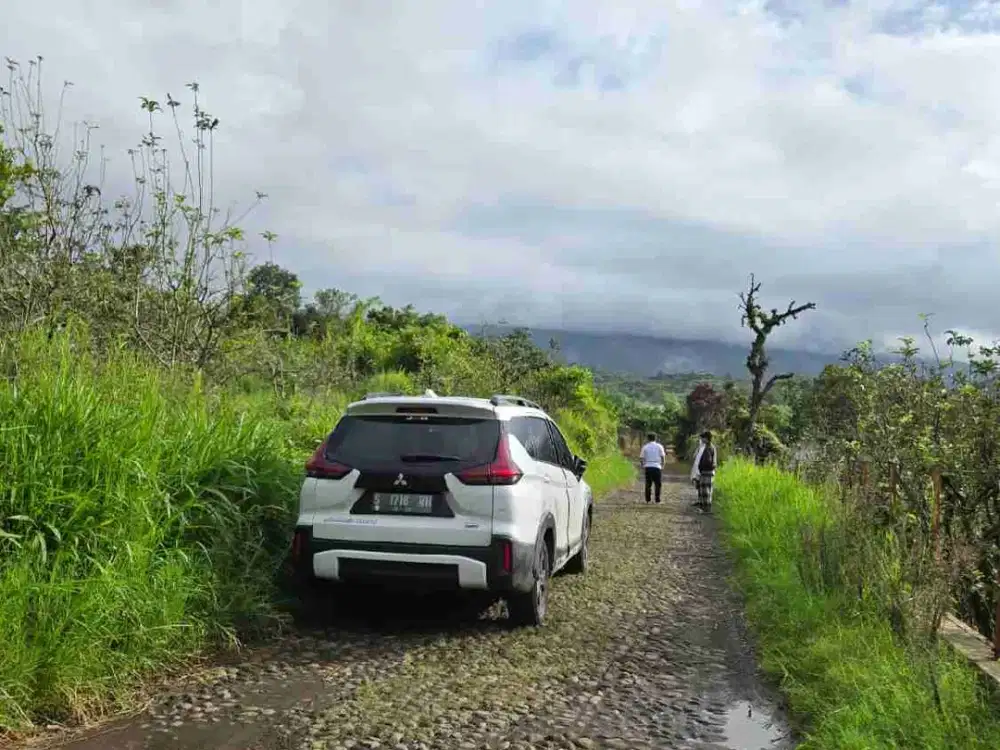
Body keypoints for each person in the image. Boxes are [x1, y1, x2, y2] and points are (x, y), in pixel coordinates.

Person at [690, 430, 718, 509]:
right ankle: (703, 506)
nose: (701, 440)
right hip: (705, 471)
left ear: (706, 438)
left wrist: (702, 467)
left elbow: (708, 461)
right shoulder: (706, 446)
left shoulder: (709, 448)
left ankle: (706, 508)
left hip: (706, 471)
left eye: (702, 438)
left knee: (706, 491)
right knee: (703, 490)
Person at [639, 431, 666, 504]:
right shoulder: (659, 446)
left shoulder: (645, 447)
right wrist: (663, 465)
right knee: (658, 484)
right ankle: (657, 500)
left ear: (648, 438)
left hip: (648, 466)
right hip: (657, 466)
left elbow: (641, 458)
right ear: (655, 438)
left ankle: (648, 500)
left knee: (648, 484)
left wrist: (642, 466)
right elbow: (663, 457)